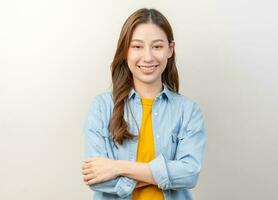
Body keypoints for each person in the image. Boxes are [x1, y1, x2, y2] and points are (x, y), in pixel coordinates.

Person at [81, 8, 206, 200]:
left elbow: (189, 174)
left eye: (157, 46)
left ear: (170, 49)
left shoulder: (188, 110)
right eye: (137, 46)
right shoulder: (101, 107)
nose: (148, 57)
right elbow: (97, 177)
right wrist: (163, 174)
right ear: (125, 50)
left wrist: (118, 167)